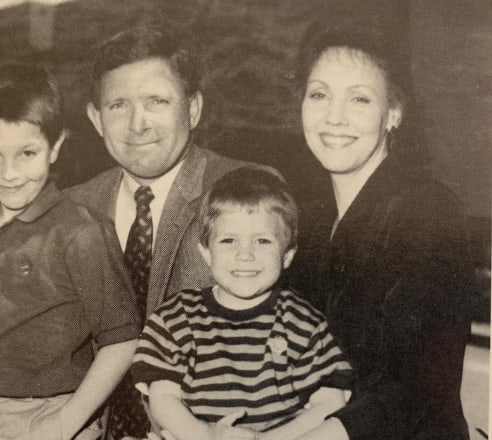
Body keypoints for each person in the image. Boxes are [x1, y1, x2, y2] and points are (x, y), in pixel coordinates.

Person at [65, 26, 282, 439]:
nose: (137, 124)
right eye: (118, 106)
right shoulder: (73, 209)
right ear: (96, 119)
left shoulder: (246, 191)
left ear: (194, 108)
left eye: (157, 102)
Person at [0, 64, 141, 440]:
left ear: (54, 148)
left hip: (50, 415)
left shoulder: (80, 232)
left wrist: (64, 424)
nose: (8, 172)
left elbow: (122, 340)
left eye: (26, 153)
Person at [287, 17, 473, 440]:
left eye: (359, 100)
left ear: (394, 112)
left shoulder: (428, 211)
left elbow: (413, 387)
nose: (334, 117)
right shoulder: (309, 222)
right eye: (319, 95)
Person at [131, 168, 354, 440]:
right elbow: (163, 397)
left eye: (262, 240)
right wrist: (206, 435)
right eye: (229, 240)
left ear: (287, 255)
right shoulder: (175, 318)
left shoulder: (304, 322)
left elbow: (330, 401)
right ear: (206, 252)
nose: (245, 254)